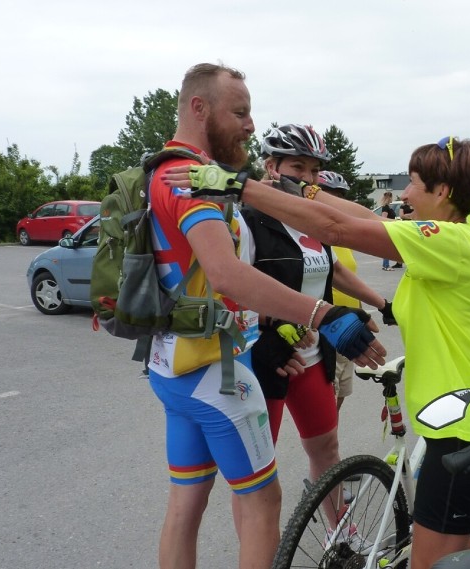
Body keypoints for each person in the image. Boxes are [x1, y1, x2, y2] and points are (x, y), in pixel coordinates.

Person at [162, 135, 470, 569]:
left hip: (460, 432)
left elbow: (337, 228)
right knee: (452, 545)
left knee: (430, 560)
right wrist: (302, 189)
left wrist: (237, 184)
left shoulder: (445, 241)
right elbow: (360, 216)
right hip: (467, 420)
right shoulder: (466, 240)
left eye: (414, 183)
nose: (404, 193)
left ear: (441, 193)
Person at [144, 63, 385, 569]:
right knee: (262, 503)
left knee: (185, 503)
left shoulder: (165, 170)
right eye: (240, 112)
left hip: (174, 365)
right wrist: (324, 315)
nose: (250, 125)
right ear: (199, 108)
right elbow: (228, 273)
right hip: (218, 372)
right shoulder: (193, 178)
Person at [244, 125, 392, 491]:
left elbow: (334, 269)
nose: (309, 179)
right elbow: (230, 286)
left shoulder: (308, 218)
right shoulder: (248, 218)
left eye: (314, 170)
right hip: (268, 356)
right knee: (259, 470)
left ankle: (341, 536)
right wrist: (264, 333)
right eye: (298, 168)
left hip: (313, 352)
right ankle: (266, 545)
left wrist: (383, 303)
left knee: (327, 452)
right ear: (271, 165)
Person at [316, 170, 369, 409]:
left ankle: (331, 444)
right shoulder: (312, 234)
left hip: (349, 323)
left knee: (341, 394)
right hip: (328, 325)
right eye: (329, 196)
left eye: (339, 197)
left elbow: (348, 278)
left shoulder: (340, 237)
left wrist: (362, 314)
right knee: (328, 397)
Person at [392, 197, 415, 268]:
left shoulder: (414, 205)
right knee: (402, 244)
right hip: (405, 226)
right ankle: (399, 262)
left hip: (414, 226)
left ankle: (413, 261)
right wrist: (410, 216)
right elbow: (401, 216)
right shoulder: (403, 206)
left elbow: (417, 215)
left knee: (412, 245)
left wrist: (408, 216)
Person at [378, 191, 397, 270]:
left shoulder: (388, 207)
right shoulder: (385, 207)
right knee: (387, 247)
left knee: (388, 247)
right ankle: (386, 265)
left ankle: (385, 265)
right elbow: (384, 218)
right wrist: (395, 222)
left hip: (391, 228)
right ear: (389, 198)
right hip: (388, 228)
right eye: (391, 197)